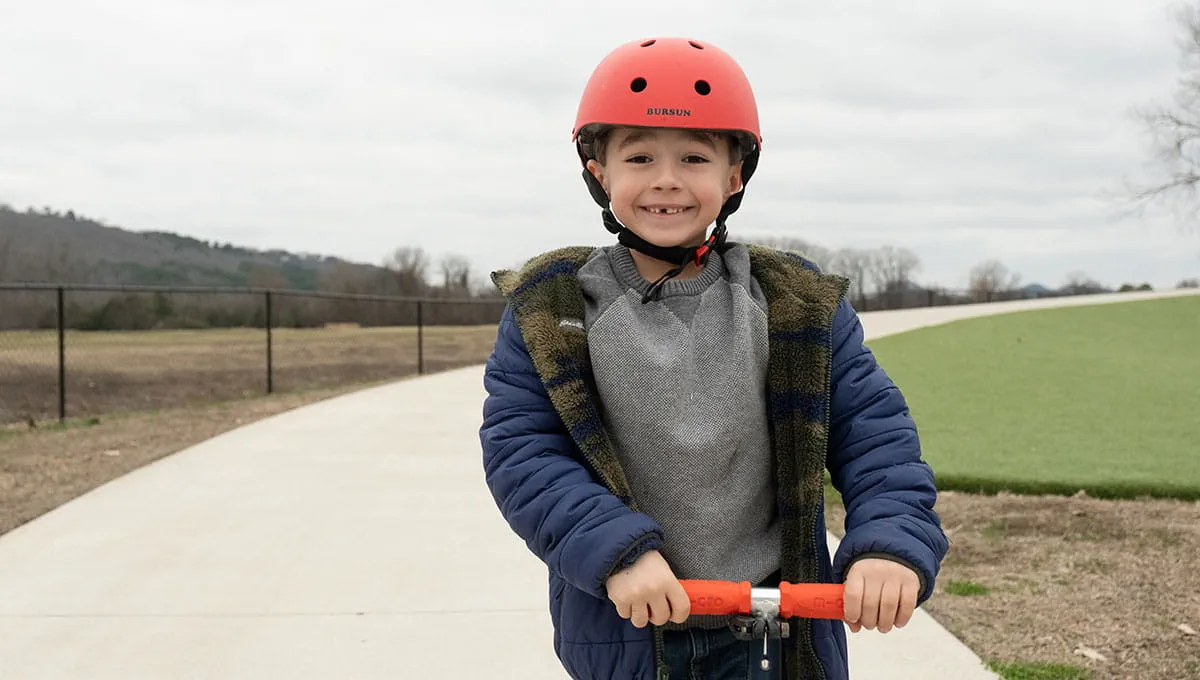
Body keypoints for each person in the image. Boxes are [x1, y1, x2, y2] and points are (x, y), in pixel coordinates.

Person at [478, 36, 948, 680]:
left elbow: (877, 440)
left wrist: (890, 546)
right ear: (598, 172)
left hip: (778, 631)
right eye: (639, 156)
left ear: (734, 177)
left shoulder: (792, 304)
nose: (666, 179)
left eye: (694, 157)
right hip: (634, 630)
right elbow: (523, 453)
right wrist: (615, 552)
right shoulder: (553, 309)